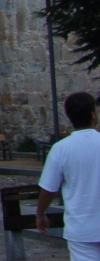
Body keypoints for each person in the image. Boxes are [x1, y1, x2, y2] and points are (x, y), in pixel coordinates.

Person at [36, 92, 100, 261]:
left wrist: (40, 213)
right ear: (93, 115)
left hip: (81, 229)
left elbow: (48, 189)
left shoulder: (60, 149)